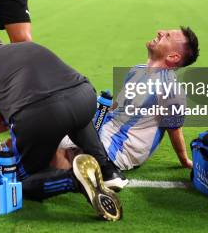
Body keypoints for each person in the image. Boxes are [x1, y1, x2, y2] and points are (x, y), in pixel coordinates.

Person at [0, 36, 125, 221]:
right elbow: (10, 116)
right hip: (84, 97)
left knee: (19, 181)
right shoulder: (27, 47)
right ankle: (107, 168)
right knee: (73, 114)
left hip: (40, 115)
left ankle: (73, 180)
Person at [54, 27, 199, 172]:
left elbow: (174, 130)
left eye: (167, 36)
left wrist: (184, 160)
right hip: (102, 128)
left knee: (55, 159)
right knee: (46, 129)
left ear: (173, 57)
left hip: (119, 148)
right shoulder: (138, 70)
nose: (160, 32)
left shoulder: (170, 90)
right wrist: (98, 105)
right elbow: (118, 105)